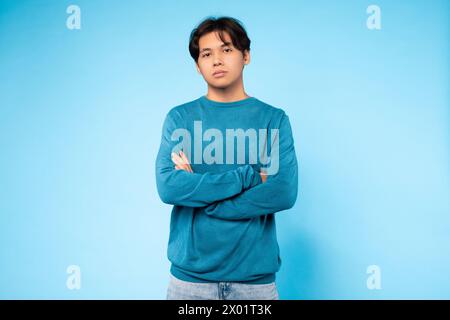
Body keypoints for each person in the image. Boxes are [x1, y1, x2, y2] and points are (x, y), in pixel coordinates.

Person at [155, 16, 298, 300]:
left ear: (246, 56)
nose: (216, 60)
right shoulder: (180, 118)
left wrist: (204, 197)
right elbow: (169, 186)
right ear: (198, 65)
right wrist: (249, 176)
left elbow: (282, 192)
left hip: (254, 283)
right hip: (190, 283)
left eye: (227, 49)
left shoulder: (273, 120)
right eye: (206, 54)